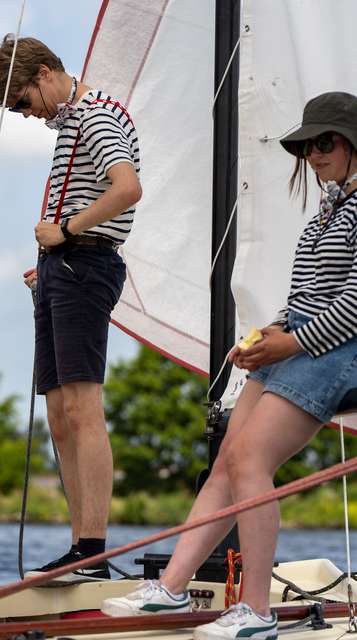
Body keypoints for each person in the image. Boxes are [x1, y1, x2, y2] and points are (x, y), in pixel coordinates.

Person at [102, 91, 357, 638]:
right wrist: (267, 334)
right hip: (298, 341)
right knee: (227, 462)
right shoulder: (329, 208)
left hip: (337, 350)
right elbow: (307, 294)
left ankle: (257, 612)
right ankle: (172, 588)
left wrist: (291, 342)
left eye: (325, 141)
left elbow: (355, 304)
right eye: (306, 146)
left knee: (249, 462)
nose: (313, 154)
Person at [0, 35, 142, 581]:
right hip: (63, 268)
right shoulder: (70, 124)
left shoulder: (96, 115)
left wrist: (68, 233)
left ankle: (92, 551)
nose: (27, 114)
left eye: (23, 102)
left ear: (45, 74)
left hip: (85, 264)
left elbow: (127, 188)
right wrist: (50, 259)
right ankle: (81, 548)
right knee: (58, 411)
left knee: (81, 407)